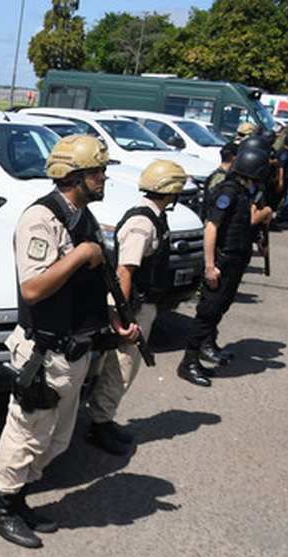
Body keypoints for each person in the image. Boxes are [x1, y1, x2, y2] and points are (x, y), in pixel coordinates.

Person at [0, 135, 139, 548]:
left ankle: (18, 500)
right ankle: (1, 509)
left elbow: (89, 286)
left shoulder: (83, 218)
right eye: (96, 172)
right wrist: (80, 254)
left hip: (75, 350)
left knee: (56, 440)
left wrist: (114, 320)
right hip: (44, 353)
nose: (104, 178)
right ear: (73, 176)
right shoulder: (41, 220)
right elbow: (33, 288)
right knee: (27, 435)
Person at [85, 160, 189, 455]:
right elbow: (125, 272)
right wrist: (122, 315)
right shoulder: (143, 224)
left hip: (142, 305)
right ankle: (99, 423)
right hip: (133, 307)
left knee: (123, 367)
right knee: (121, 367)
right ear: (170, 191)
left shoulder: (153, 217)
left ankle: (103, 418)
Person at [177, 148, 273, 387]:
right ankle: (188, 362)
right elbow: (212, 228)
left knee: (220, 307)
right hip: (223, 260)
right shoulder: (228, 192)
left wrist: (259, 238)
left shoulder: (243, 192)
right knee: (208, 310)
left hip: (236, 259)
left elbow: (240, 225)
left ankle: (204, 349)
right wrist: (210, 266)